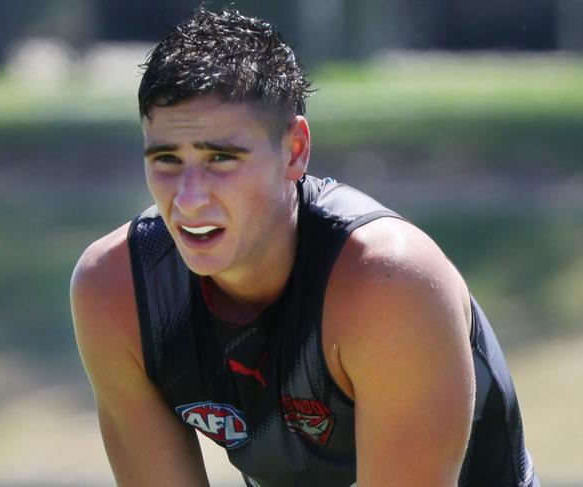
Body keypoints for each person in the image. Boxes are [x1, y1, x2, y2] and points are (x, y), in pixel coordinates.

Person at [70, 8, 539, 487]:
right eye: (167, 159)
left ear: (294, 151)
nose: (188, 200)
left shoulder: (389, 283)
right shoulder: (119, 291)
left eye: (221, 159)